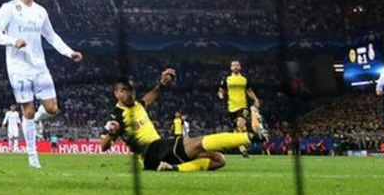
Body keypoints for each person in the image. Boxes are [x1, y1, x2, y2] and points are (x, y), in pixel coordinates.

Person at [0, 0, 83, 169]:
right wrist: (12, 41)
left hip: (39, 66)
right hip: (18, 68)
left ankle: (37, 120)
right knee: (28, 111)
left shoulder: (41, 11)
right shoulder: (9, 8)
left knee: (52, 109)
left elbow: (51, 36)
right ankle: (33, 157)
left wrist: (69, 52)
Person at [100, 68, 268, 172]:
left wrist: (163, 83)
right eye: (124, 90)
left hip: (160, 150)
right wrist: (111, 132)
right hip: (150, 152)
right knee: (198, 142)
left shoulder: (138, 105)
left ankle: (172, 168)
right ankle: (251, 136)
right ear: (116, 93)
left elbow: (151, 96)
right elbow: (104, 146)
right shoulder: (118, 115)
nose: (129, 93)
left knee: (218, 160)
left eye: (131, 90)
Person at [217, 60, 261, 158]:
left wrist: (256, 99)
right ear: (231, 68)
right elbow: (221, 90)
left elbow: (249, 91)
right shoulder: (227, 79)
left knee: (240, 124)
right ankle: (242, 148)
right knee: (237, 128)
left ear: (240, 67)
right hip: (231, 107)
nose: (235, 66)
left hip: (243, 106)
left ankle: (244, 140)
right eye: (233, 65)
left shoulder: (244, 79)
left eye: (237, 65)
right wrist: (221, 94)